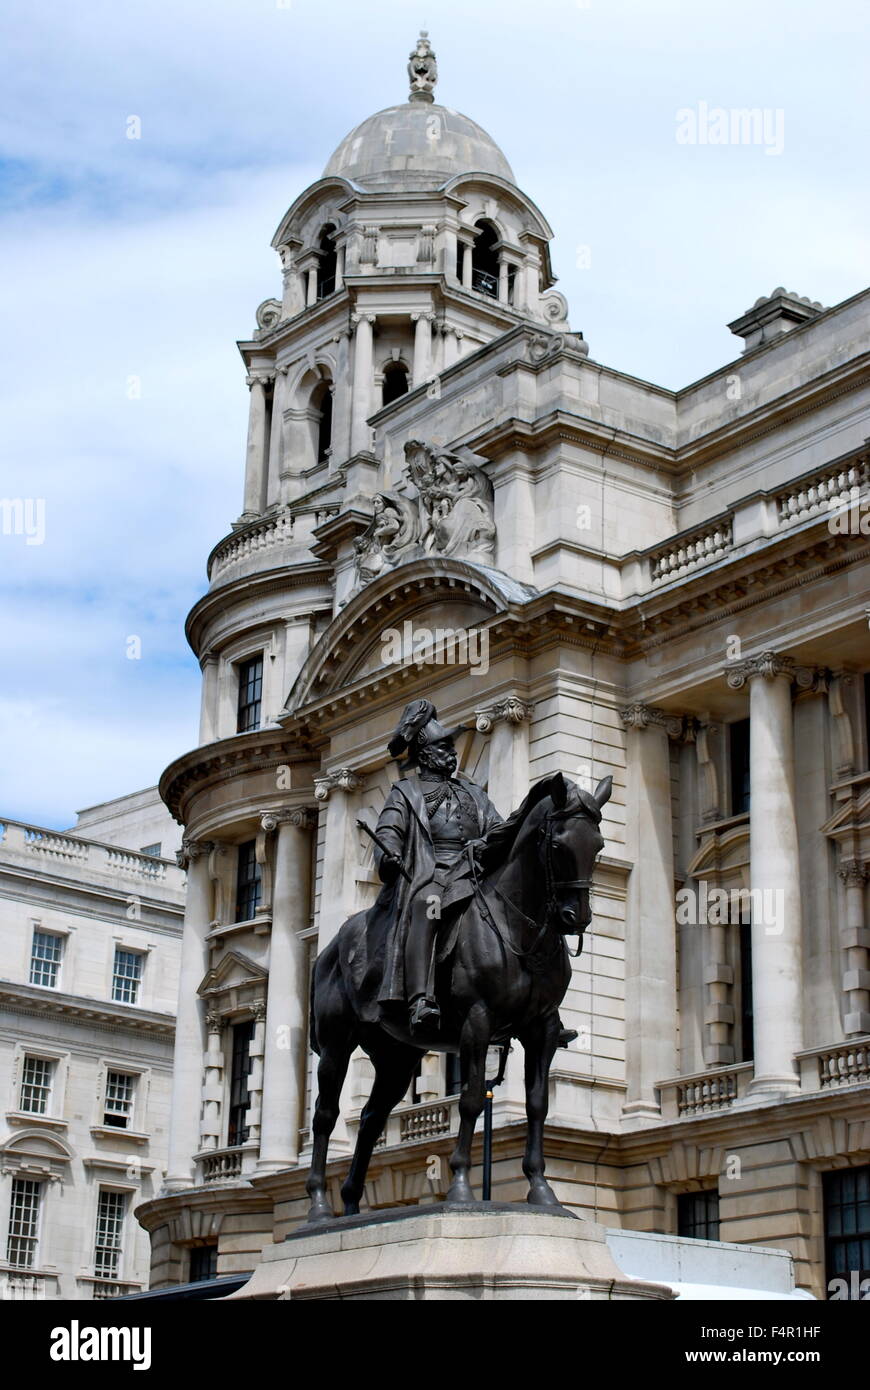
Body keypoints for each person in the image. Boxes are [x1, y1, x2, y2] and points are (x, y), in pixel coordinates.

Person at [372, 699, 502, 1033]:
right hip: (432, 874)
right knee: (428, 905)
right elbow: (388, 832)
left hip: (474, 871)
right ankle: (420, 1000)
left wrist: (489, 845)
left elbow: (498, 830)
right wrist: (389, 855)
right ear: (426, 752)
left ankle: (541, 1005)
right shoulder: (406, 792)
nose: (451, 750)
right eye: (444, 745)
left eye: (450, 745)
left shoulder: (474, 793)